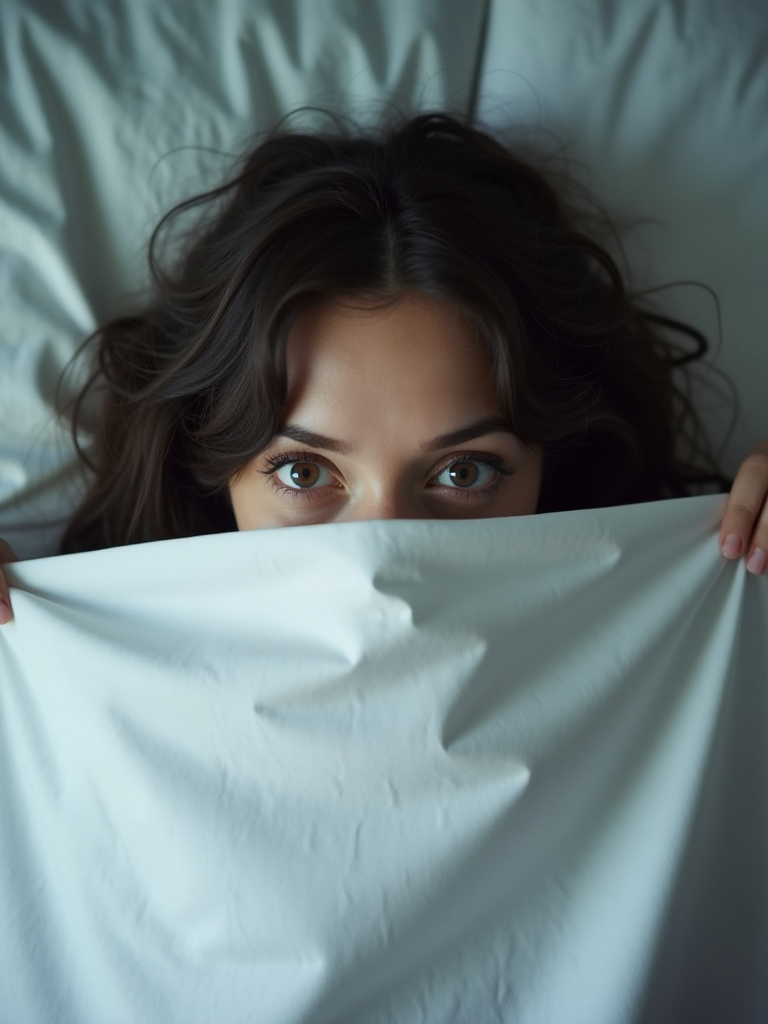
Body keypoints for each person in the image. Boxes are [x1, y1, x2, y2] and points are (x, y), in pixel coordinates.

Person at [0, 110, 766, 624]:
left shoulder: (685, 633)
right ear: (208, 469)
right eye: (304, 474)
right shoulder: (83, 667)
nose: (385, 565)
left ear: (553, 466)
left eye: (464, 473)